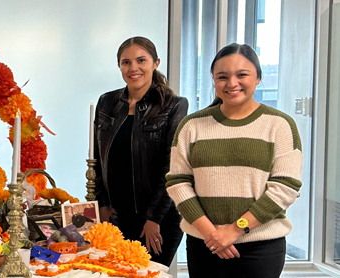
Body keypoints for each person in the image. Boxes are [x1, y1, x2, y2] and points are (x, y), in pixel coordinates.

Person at [166, 43, 302, 277]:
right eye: (222, 76)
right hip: (204, 244)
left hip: (261, 248)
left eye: (242, 75)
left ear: (258, 77)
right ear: (214, 80)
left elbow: (285, 188)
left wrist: (235, 230)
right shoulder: (192, 125)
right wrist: (212, 233)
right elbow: (178, 183)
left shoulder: (279, 125)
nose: (232, 83)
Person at [93, 36, 187, 267]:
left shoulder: (174, 105)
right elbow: (96, 156)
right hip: (115, 215)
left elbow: (172, 166)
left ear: (155, 63)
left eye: (141, 60)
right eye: (126, 62)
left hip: (159, 216)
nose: (133, 68)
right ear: (119, 66)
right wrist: (101, 204)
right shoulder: (106, 102)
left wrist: (153, 218)